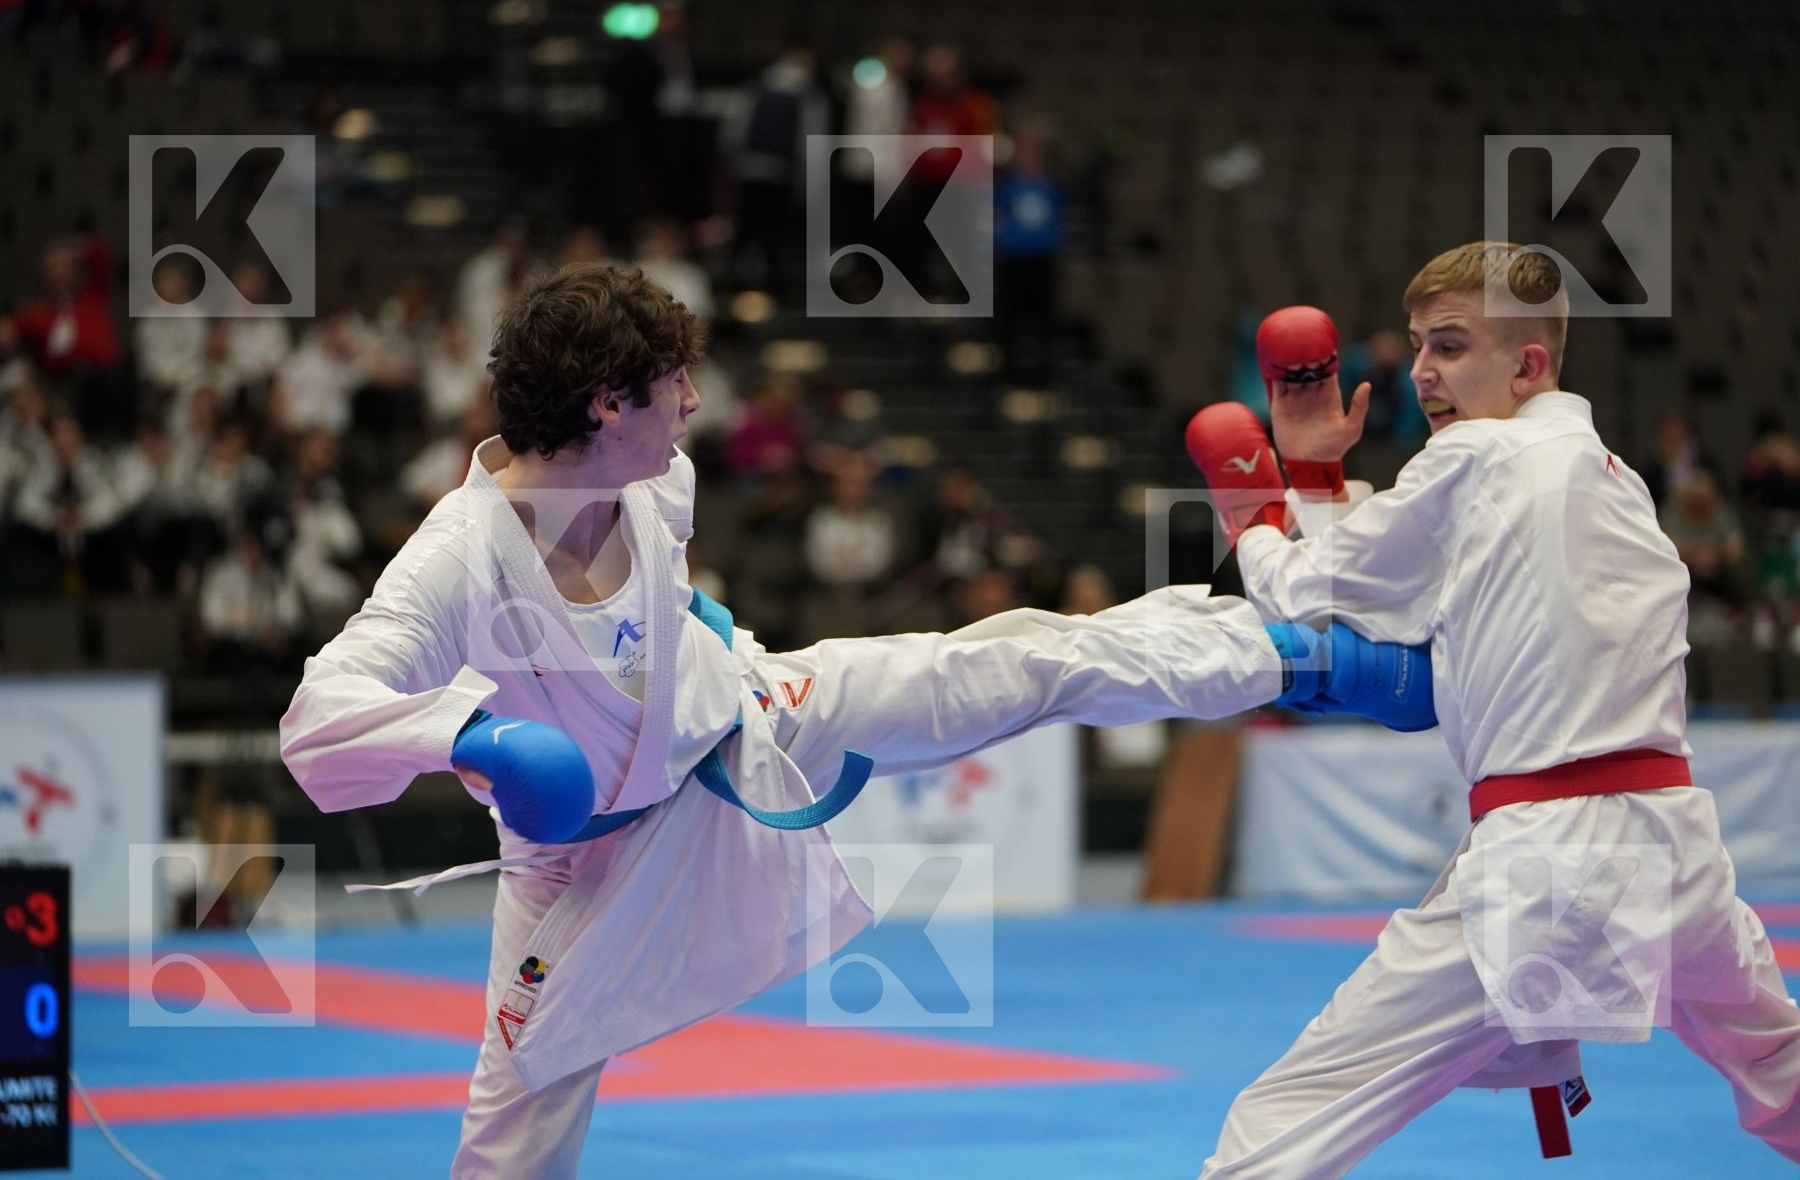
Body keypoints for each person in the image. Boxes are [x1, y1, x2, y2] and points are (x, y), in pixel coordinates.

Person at [278, 264, 1434, 1180]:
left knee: (1008, 662)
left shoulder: (657, 479)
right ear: (605, 403)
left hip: (744, 720)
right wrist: (469, 741)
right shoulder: (459, 559)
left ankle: (1298, 654)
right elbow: (321, 715)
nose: (695, 404)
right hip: (582, 862)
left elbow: (655, 616)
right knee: (511, 1141)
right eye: (674, 384)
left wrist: (695, 627)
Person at [1186, 242, 1800, 1177]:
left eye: (1451, 345)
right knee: (1781, 1070)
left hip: (1554, 856)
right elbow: (1411, 600)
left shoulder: (1479, 453)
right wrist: (1316, 485)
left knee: (1291, 1112)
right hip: (1675, 843)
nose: (1423, 373)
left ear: (1528, 364)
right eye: (1417, 347)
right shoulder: (1611, 476)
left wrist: (1258, 513)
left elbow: (1311, 598)